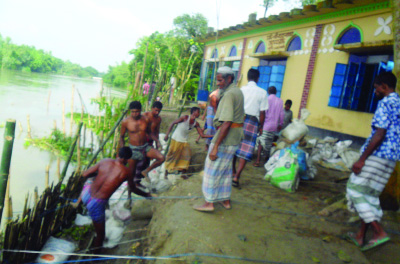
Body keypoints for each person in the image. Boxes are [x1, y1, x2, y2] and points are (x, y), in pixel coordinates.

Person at [346, 72, 400, 251]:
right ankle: (361, 236)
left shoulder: (385, 103)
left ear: (384, 86)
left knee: (355, 190)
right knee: (369, 195)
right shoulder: (398, 103)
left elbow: (380, 133)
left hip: (378, 155)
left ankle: (379, 232)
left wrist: (362, 159)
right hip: (391, 159)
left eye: (376, 87)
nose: (375, 90)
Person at [194, 66, 244, 212]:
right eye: (217, 80)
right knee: (226, 170)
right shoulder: (237, 91)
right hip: (235, 137)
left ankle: (209, 203)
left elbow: (227, 122)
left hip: (226, 138)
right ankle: (225, 200)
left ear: (229, 79)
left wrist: (215, 145)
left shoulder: (229, 95)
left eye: (220, 80)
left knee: (211, 169)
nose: (218, 83)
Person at [77, 147, 137, 253]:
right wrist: (146, 194)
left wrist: (98, 174)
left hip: (87, 196)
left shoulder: (105, 161)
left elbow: (84, 174)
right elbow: (133, 188)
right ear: (127, 159)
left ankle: (79, 203)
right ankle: (94, 258)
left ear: (118, 154)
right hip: (97, 203)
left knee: (89, 184)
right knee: (101, 234)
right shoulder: (126, 172)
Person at [232, 68, 269, 188]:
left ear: (247, 78)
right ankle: (237, 176)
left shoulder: (241, 90)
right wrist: (261, 127)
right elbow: (262, 113)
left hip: (239, 119)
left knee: (234, 146)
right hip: (253, 122)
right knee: (246, 150)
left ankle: (232, 171)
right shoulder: (262, 92)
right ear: (258, 78)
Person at [119, 101, 165, 186]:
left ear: (140, 111)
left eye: (137, 112)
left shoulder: (146, 120)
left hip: (145, 147)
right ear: (130, 111)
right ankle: (130, 193)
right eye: (132, 112)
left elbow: (150, 133)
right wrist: (123, 150)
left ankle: (146, 171)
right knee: (131, 174)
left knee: (161, 158)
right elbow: (121, 137)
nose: (135, 114)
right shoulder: (125, 122)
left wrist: (157, 141)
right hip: (133, 149)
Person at [164, 107, 212, 178]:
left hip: (184, 141)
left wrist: (213, 135)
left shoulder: (196, 123)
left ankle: (183, 173)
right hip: (176, 139)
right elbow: (173, 123)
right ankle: (166, 171)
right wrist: (167, 134)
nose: (199, 113)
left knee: (187, 156)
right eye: (198, 112)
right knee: (172, 155)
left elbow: (202, 135)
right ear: (194, 112)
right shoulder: (185, 118)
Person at [253, 86, 284, 167]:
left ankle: (258, 160)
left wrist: (259, 123)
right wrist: (280, 124)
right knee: (269, 143)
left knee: (261, 142)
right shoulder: (280, 101)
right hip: (274, 126)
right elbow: (281, 114)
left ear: (268, 92)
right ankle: (266, 159)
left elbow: (262, 112)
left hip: (265, 125)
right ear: (276, 92)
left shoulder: (266, 100)